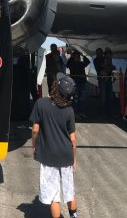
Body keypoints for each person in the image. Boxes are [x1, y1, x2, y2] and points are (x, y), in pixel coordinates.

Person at [30, 73, 78, 218]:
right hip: (66, 155)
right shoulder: (69, 110)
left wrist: (34, 146)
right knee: (69, 192)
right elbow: (73, 139)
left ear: (55, 87)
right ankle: (73, 216)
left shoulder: (41, 104)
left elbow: (35, 130)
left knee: (54, 196)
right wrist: (74, 159)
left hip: (49, 156)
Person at [67, 50, 90, 118]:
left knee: (82, 98)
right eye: (76, 56)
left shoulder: (81, 63)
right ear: (73, 57)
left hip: (82, 82)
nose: (77, 57)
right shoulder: (71, 63)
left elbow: (88, 62)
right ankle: (75, 113)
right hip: (74, 83)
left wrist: (82, 55)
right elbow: (67, 64)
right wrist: (71, 55)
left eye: (78, 56)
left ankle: (81, 112)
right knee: (75, 98)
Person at [100, 48, 116, 115]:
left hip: (108, 80)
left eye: (109, 54)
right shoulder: (104, 60)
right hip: (104, 80)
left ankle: (108, 111)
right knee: (105, 97)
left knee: (109, 97)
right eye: (108, 54)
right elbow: (106, 68)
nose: (109, 56)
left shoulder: (109, 60)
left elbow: (111, 69)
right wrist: (110, 68)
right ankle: (104, 112)